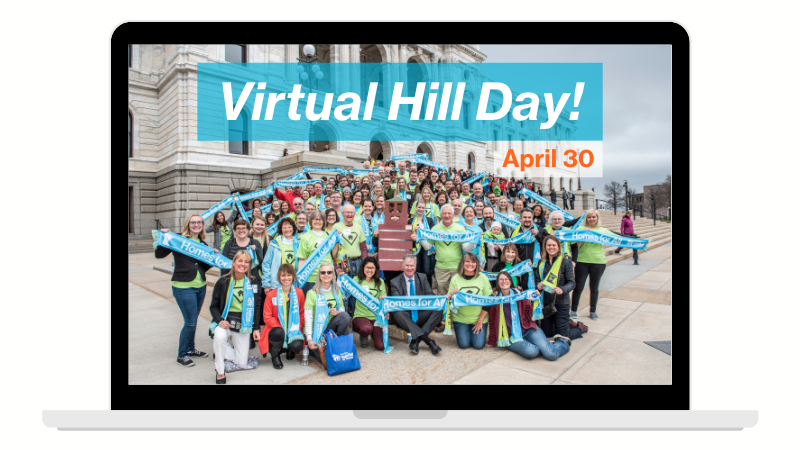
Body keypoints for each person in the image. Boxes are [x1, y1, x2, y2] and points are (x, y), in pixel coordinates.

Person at [155, 215, 213, 367]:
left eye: (199, 222)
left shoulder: (202, 243)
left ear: (202, 225)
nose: (196, 225)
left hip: (200, 286)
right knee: (190, 322)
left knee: (193, 320)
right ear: (188, 225)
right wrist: (164, 238)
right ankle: (182, 355)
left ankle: (191, 349)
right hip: (183, 286)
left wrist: (213, 257)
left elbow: (203, 266)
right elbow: (159, 254)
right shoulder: (177, 239)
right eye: (193, 222)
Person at [486, 271, 571, 359]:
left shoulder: (519, 295)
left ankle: (562, 343)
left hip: (528, 330)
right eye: (501, 279)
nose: (504, 281)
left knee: (551, 355)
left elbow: (529, 313)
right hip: (512, 337)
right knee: (532, 352)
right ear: (497, 282)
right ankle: (546, 347)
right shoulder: (495, 300)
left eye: (506, 279)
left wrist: (534, 301)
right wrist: (492, 341)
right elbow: (492, 321)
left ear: (510, 281)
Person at [209, 250, 261, 383]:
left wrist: (256, 328)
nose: (243, 264)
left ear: (249, 265)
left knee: (241, 361)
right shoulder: (223, 281)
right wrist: (219, 321)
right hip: (226, 320)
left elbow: (256, 306)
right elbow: (213, 306)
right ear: (233, 263)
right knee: (220, 337)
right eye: (240, 261)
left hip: (243, 323)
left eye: (246, 262)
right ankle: (220, 371)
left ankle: (221, 348)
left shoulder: (253, 282)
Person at [389, 255, 443, 355]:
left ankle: (416, 340)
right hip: (406, 316)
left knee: (439, 309)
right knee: (397, 313)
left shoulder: (422, 278)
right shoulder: (395, 282)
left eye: (412, 265)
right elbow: (397, 303)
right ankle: (429, 341)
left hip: (421, 313)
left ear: (416, 266)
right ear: (402, 266)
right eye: (407, 265)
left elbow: (430, 296)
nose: (409, 268)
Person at [534, 235, 582, 342]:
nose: (551, 247)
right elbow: (537, 280)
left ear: (558, 247)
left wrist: (562, 289)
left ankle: (580, 329)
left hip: (561, 302)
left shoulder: (566, 262)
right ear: (545, 247)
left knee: (561, 335)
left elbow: (572, 283)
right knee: (548, 334)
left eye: (554, 245)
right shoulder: (540, 263)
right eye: (549, 245)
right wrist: (538, 285)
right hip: (546, 303)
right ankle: (565, 324)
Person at [259, 263, 306, 369]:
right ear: (279, 277)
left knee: (297, 346)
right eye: (283, 275)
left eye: (289, 275)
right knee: (278, 332)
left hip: (293, 328)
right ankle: (275, 356)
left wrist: (295, 327)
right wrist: (283, 327)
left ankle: (290, 349)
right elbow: (267, 317)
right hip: (277, 329)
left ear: (293, 276)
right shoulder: (271, 294)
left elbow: (302, 314)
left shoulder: (299, 293)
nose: (286, 278)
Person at [303, 262, 351, 363]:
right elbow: (308, 318)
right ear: (319, 275)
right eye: (323, 272)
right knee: (328, 360)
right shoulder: (311, 293)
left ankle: (342, 346)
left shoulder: (336, 291)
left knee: (345, 316)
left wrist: (337, 312)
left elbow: (342, 310)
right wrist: (309, 339)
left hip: (329, 329)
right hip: (316, 331)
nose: (326, 275)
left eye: (329, 272)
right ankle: (312, 348)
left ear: (333, 274)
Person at [447, 252, 493, 349]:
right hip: (460, 319)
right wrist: (452, 295)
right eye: (467, 261)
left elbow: (489, 300)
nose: (470, 264)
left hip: (479, 319)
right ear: (462, 263)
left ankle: (475, 329)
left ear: (476, 264)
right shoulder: (455, 278)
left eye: (473, 262)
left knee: (478, 345)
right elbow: (449, 300)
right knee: (463, 345)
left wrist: (480, 320)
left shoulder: (483, 278)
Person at [570, 209, 610, 320]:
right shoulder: (580, 229)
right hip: (582, 260)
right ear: (586, 219)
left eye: (594, 217)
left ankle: (593, 311)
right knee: (578, 286)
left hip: (598, 261)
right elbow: (575, 246)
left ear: (597, 218)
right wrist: (583, 235)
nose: (591, 219)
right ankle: (573, 310)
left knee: (594, 287)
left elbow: (613, 240)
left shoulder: (603, 230)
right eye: (589, 217)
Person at [422, 204, 465, 297]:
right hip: (440, 268)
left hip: (457, 268)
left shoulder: (460, 229)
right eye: (444, 213)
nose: (447, 215)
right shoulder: (435, 229)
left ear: (453, 215)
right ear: (441, 215)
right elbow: (427, 246)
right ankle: (443, 312)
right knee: (442, 295)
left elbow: (465, 247)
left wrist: (475, 240)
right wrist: (420, 237)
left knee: (457, 295)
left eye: (449, 213)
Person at [297, 210, 339, 294]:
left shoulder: (328, 235)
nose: (317, 221)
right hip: (311, 277)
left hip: (328, 276)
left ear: (324, 221)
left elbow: (334, 255)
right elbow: (302, 259)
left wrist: (337, 240)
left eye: (320, 219)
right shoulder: (305, 237)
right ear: (310, 220)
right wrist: (300, 277)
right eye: (315, 219)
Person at [352, 257, 387, 350]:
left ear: (376, 269)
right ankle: (364, 334)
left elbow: (384, 298)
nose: (369, 270)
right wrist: (341, 276)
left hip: (376, 317)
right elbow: (345, 288)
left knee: (381, 346)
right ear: (363, 268)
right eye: (367, 267)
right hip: (361, 316)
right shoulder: (356, 280)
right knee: (366, 328)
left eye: (372, 268)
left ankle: (372, 332)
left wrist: (383, 299)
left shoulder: (380, 282)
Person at [263, 217, 300, 293]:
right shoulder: (274, 244)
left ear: (293, 228)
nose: (287, 230)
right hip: (277, 283)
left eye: (289, 227)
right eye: (284, 227)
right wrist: (266, 284)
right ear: (281, 229)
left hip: (294, 283)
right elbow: (266, 264)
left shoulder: (298, 244)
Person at [333, 204, 367, 280]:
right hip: (343, 260)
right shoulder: (336, 227)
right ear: (342, 214)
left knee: (358, 284)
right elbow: (334, 249)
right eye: (347, 212)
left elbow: (363, 248)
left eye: (351, 212)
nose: (349, 214)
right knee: (346, 284)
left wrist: (364, 263)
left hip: (358, 261)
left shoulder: (358, 227)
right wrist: (337, 266)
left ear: (354, 214)